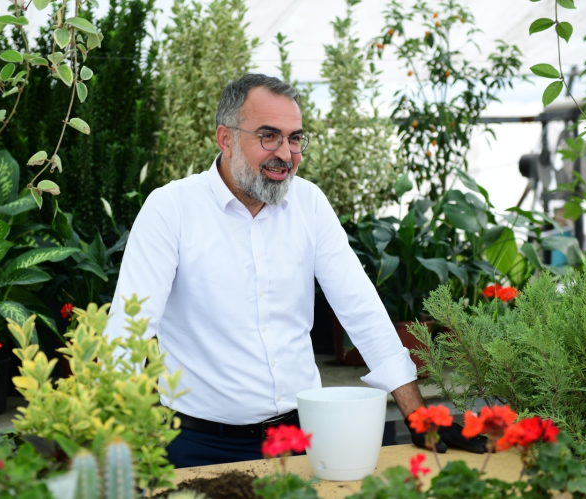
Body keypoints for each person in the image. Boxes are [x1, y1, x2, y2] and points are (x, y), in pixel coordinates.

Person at [104, 73, 486, 468]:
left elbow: (361, 309)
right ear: (226, 139)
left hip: (301, 440)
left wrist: (419, 416)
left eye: (295, 138)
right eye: (269, 136)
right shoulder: (171, 209)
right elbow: (129, 330)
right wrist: (115, 445)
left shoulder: (309, 204)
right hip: (196, 446)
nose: (286, 154)